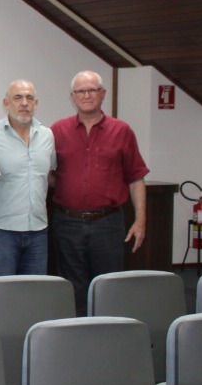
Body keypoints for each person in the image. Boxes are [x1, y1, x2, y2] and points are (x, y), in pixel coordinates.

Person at [50, 70, 150, 315]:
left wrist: (140, 221)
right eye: (81, 91)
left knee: (109, 285)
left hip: (108, 223)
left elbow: (136, 178)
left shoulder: (122, 131)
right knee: (72, 287)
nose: (86, 95)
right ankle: (77, 338)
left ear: (102, 94)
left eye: (92, 90)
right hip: (68, 222)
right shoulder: (57, 131)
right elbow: (49, 173)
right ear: (72, 96)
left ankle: (108, 337)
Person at [0, 80, 56, 277]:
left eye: (29, 98)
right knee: (0, 296)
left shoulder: (47, 135)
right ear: (6, 103)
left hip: (38, 231)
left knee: (35, 296)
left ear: (36, 103)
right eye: (18, 98)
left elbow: (49, 174)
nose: (24, 103)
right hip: (1, 233)